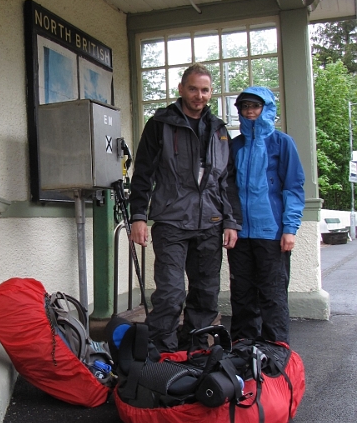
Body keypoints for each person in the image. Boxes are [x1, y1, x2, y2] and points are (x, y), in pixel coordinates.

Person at [129, 63, 242, 351]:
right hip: (171, 220)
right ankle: (163, 355)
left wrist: (231, 221)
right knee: (169, 294)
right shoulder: (160, 124)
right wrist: (138, 217)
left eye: (205, 90)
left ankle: (195, 351)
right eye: (193, 89)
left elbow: (226, 181)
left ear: (211, 92)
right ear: (181, 89)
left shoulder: (219, 130)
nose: (199, 95)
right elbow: (143, 173)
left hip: (211, 220)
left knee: (205, 294)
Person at [227, 86, 305, 344]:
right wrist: (229, 223)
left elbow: (293, 187)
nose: (250, 112)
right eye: (245, 107)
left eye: (255, 106)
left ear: (266, 109)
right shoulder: (234, 145)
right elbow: (227, 188)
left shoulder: (282, 143)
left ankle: (276, 351)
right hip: (240, 234)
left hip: (271, 233)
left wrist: (290, 228)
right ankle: (242, 351)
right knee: (242, 295)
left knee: (273, 296)